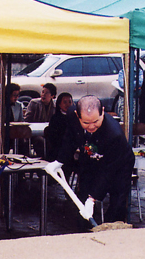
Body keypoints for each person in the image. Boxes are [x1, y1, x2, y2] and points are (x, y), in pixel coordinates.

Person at [48, 95, 135, 225]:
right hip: (91, 157)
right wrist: (60, 161)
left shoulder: (114, 134)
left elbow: (108, 171)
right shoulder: (72, 115)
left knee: (117, 201)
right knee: (84, 194)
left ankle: (114, 232)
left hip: (118, 164)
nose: (91, 126)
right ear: (78, 115)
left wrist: (93, 198)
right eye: (86, 123)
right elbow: (70, 138)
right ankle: (85, 231)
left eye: (96, 121)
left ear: (103, 112)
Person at [24, 83, 57, 157]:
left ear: (52, 96)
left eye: (46, 93)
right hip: (34, 132)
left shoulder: (55, 106)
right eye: (42, 92)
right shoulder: (34, 103)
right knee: (40, 141)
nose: (43, 95)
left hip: (48, 132)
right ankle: (43, 158)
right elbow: (27, 120)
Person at [45, 92, 73, 162]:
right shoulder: (55, 118)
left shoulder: (75, 117)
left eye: (70, 102)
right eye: (65, 102)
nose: (68, 105)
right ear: (59, 104)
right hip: (59, 150)